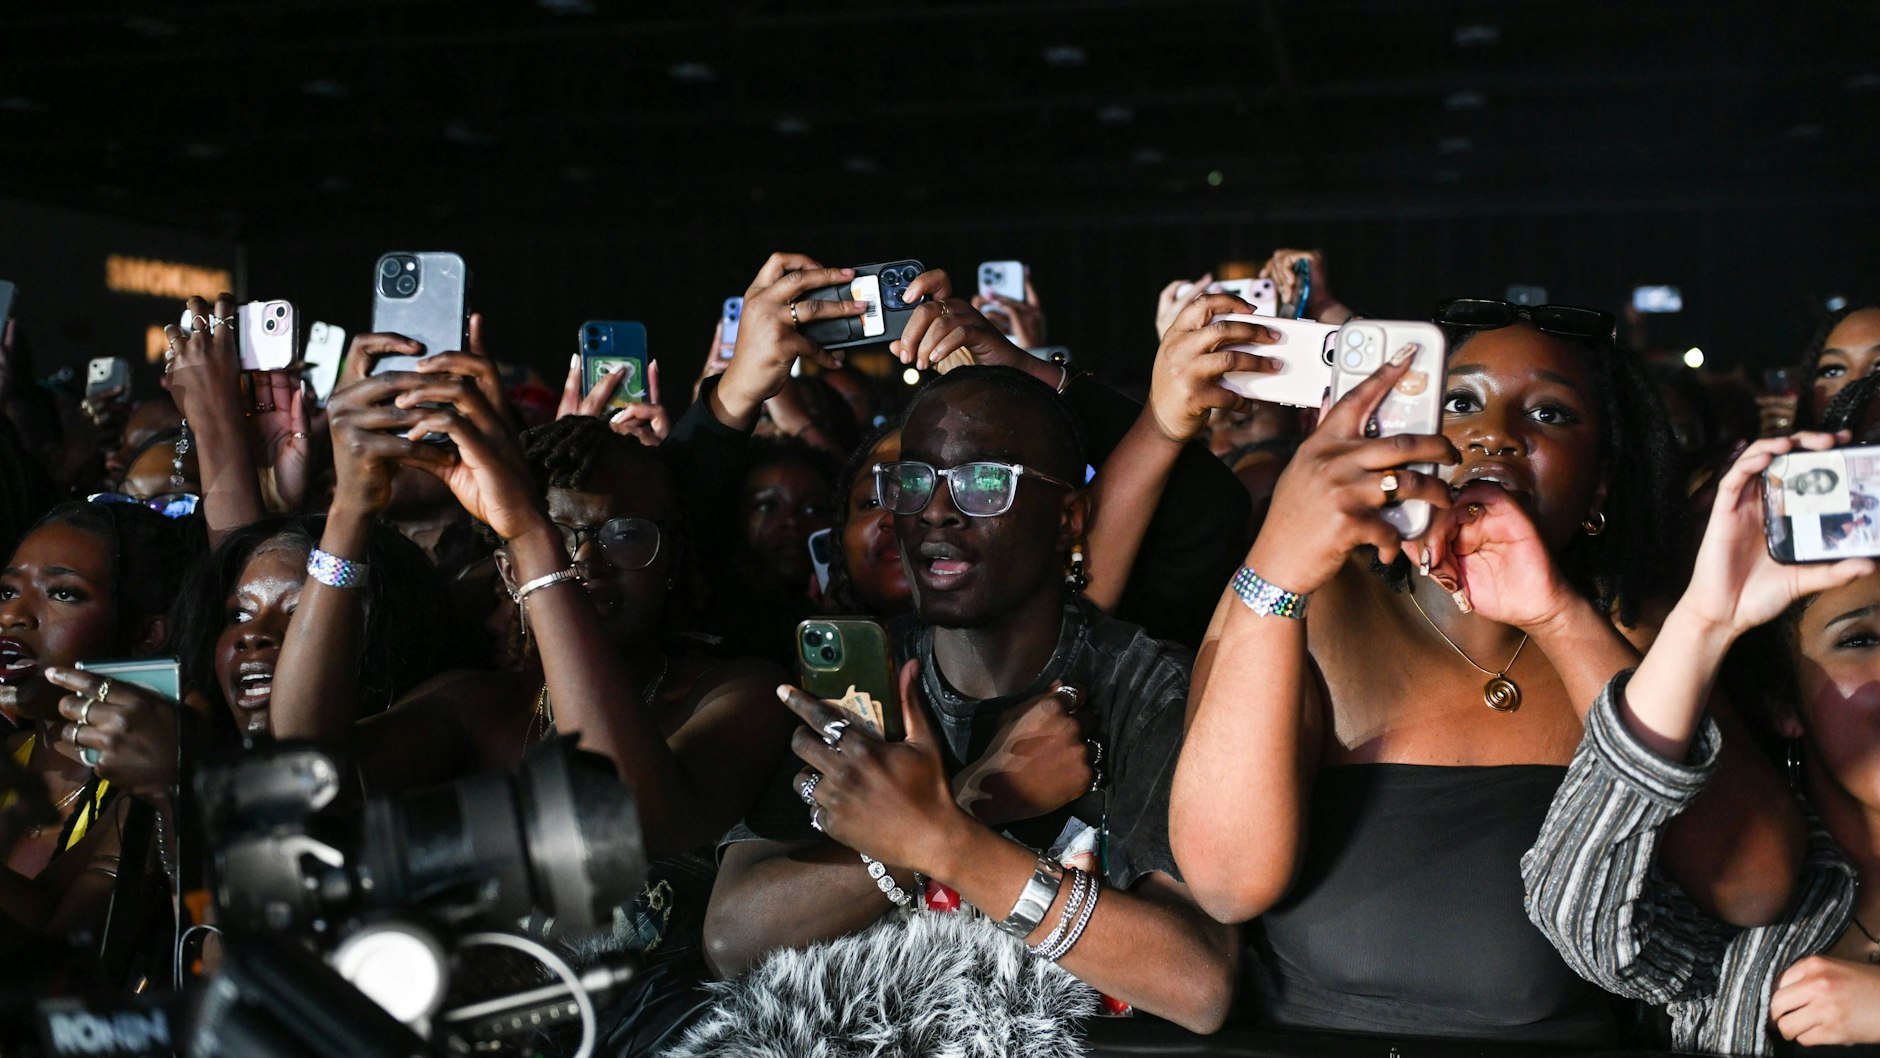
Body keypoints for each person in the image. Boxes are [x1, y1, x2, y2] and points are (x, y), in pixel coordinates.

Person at [1171, 299, 1803, 1044]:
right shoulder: (1304, 608)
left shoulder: (1637, 635)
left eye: (1552, 414)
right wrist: (1278, 561)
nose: (1496, 435)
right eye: (1461, 400)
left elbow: (1753, 885)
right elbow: (1226, 883)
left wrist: (1560, 618)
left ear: (1601, 484)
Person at [706, 366, 1237, 1034]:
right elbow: (732, 938)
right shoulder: (863, 684)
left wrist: (951, 844)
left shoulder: (1146, 687)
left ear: (1068, 518)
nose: (935, 509)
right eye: (912, 482)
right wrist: (972, 801)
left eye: (984, 481)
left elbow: (1199, 983)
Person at [1523, 433, 1880, 1052]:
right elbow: (1582, 919)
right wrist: (1705, 621)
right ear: (1785, 706)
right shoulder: (1746, 894)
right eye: (1861, 640)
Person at [0, 501, 187, 967]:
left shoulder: (145, 794)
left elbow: (61, 959)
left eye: (62, 593)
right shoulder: (8, 758)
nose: (12, 616)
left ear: (146, 635)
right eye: (6, 591)